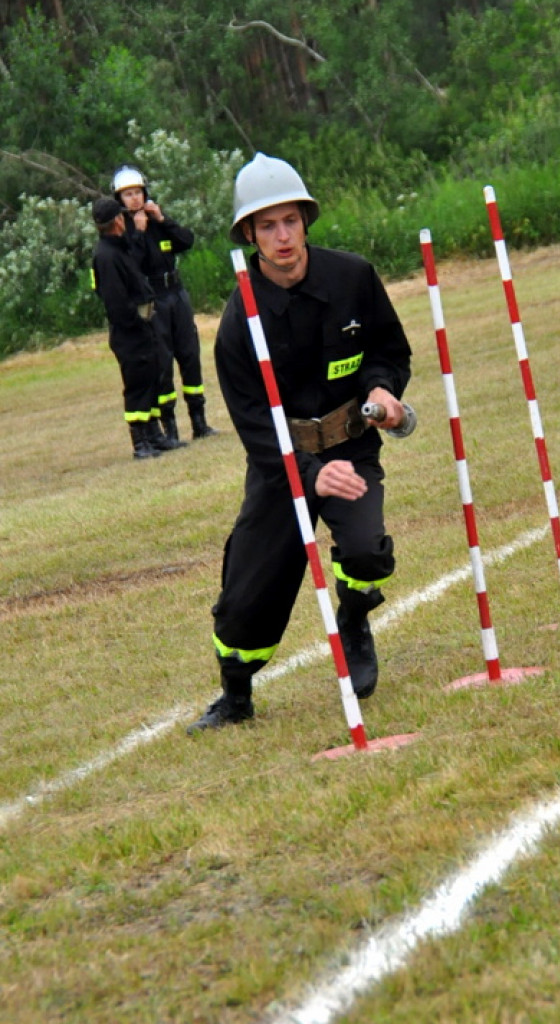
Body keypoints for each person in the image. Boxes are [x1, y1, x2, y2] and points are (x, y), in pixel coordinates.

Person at [187, 153, 412, 733]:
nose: (282, 236)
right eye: (267, 226)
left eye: (290, 221)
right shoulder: (241, 320)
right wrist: (309, 475)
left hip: (352, 445)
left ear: (306, 220)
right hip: (282, 463)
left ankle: (356, 619)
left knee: (364, 550)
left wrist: (383, 391)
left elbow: (390, 348)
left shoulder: (353, 277)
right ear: (248, 235)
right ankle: (235, 694)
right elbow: (255, 425)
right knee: (248, 593)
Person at [112, 165, 218, 441]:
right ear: (119, 200)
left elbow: (186, 241)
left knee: (190, 354)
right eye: (127, 195)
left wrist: (162, 219)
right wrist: (137, 232)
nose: (134, 199)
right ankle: (169, 427)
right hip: (154, 298)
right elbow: (130, 266)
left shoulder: (158, 222)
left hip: (177, 294)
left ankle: (200, 421)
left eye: (137, 192)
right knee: (162, 361)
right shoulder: (125, 231)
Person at [91, 197, 176, 460]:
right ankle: (140, 442)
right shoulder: (106, 256)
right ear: (117, 221)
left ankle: (154, 436)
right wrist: (138, 322)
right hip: (131, 334)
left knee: (151, 380)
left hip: (143, 328)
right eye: (122, 217)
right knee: (137, 385)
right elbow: (117, 302)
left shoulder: (120, 248)